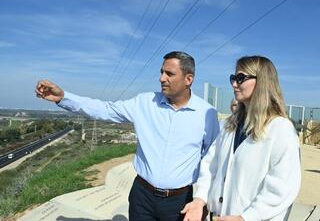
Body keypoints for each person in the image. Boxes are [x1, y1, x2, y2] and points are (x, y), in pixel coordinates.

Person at [35, 51, 220, 221]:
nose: (161, 78)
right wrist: (63, 97)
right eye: (161, 72)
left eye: (169, 74)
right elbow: (105, 109)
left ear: (188, 79)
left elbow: (212, 162)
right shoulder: (144, 102)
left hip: (179, 203)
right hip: (142, 197)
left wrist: (201, 201)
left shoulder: (207, 114)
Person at [181, 55, 301, 221]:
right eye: (233, 78)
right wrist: (200, 199)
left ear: (262, 82)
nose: (234, 84)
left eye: (240, 78)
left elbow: (283, 186)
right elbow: (210, 164)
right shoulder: (230, 126)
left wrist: (246, 217)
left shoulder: (280, 129)